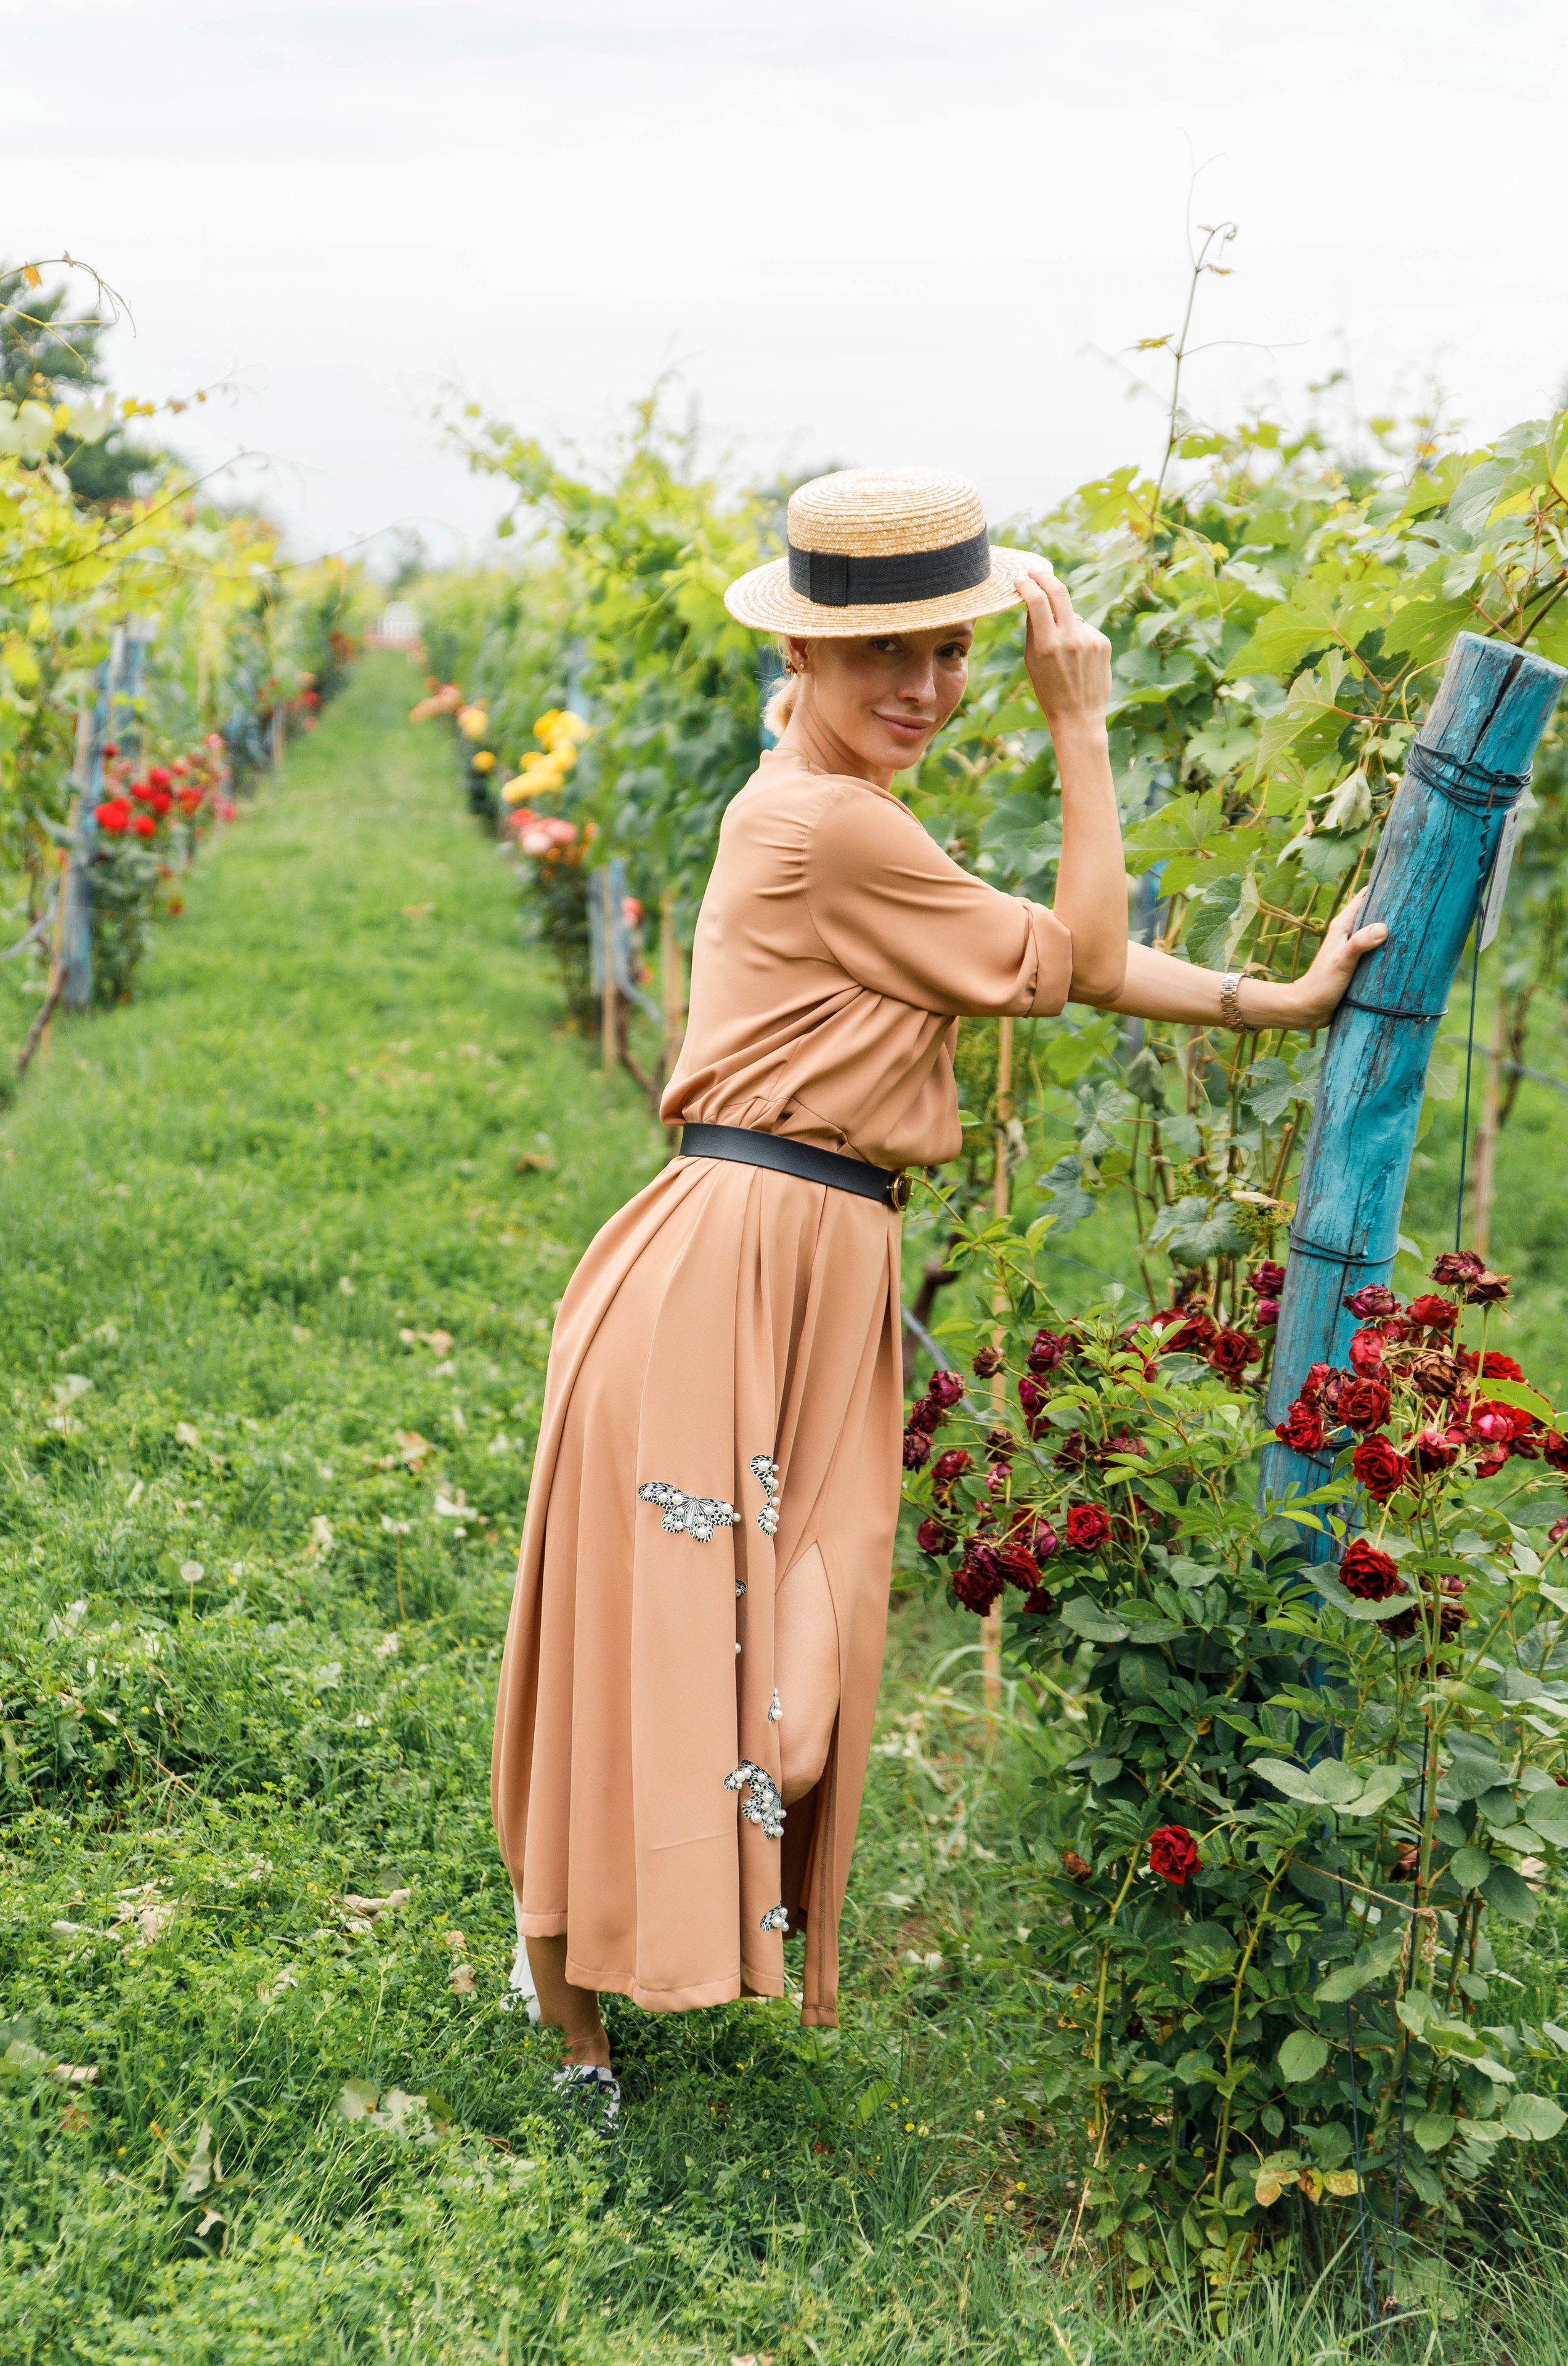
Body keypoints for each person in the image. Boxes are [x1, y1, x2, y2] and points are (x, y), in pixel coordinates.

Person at [490, 466, 1385, 2102]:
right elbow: (1085, 956)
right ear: (807, 657)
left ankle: (587, 1956)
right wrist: (1080, 726)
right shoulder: (828, 824)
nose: (923, 686)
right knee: (682, 1672)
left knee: (791, 1706)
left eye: (951, 651)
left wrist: (1283, 1000)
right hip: (735, 1269)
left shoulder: (830, 797)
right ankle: (570, 2019)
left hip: (820, 1275)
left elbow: (1046, 953)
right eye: (882, 655)